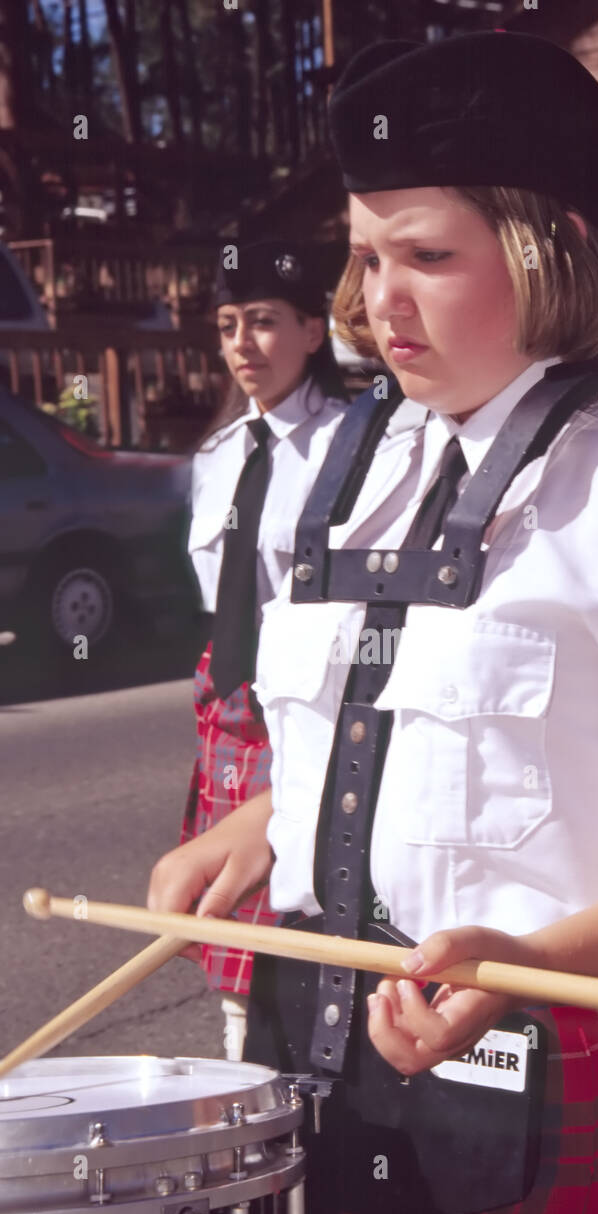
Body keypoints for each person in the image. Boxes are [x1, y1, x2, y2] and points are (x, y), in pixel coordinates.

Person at [149, 32, 598, 1214]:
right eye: (367, 256)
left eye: (429, 254)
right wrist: (274, 821)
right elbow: (428, 743)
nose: (381, 299)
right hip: (339, 1098)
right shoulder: (351, 476)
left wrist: (519, 962)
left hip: (578, 1106)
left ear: (546, 253)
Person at [151, 240, 347, 1059]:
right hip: (230, 702)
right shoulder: (218, 457)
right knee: (228, 916)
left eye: (264, 323)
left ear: (313, 330)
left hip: (305, 697)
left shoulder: (357, 445)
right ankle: (242, 1059)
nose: (241, 344)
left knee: (294, 906)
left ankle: (297, 1064)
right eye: (229, 325)